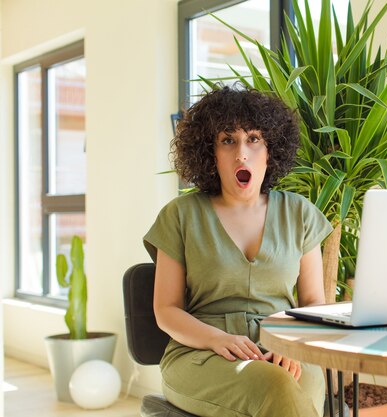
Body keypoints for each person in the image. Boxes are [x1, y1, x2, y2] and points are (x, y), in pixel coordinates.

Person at [143, 86, 333, 417]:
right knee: (274, 386)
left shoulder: (300, 214)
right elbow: (166, 309)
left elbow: (314, 303)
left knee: (299, 381)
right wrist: (216, 339)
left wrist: (291, 344)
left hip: (283, 347)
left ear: (271, 149)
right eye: (228, 140)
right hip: (200, 354)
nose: (241, 154)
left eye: (254, 139)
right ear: (210, 152)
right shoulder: (180, 215)